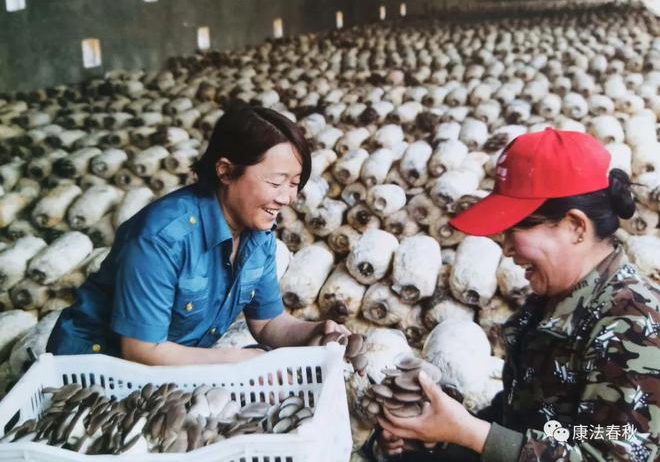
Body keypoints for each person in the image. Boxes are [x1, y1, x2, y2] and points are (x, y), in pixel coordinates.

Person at [377, 128, 660, 461]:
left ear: (575, 227)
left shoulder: (634, 323)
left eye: (517, 229)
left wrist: (469, 433)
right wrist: (438, 434)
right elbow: (524, 414)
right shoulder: (550, 301)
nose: (507, 248)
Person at [46, 106, 349, 365]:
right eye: (276, 182)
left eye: (295, 183)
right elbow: (140, 350)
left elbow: (268, 322)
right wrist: (233, 362)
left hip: (169, 370)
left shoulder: (259, 234)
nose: (287, 197)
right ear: (226, 171)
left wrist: (313, 332)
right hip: (91, 371)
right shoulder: (162, 238)